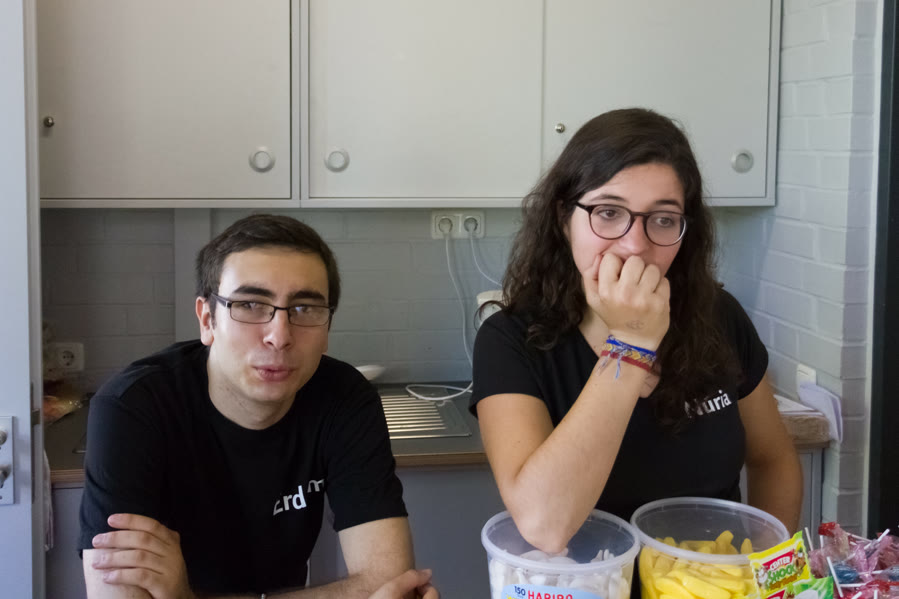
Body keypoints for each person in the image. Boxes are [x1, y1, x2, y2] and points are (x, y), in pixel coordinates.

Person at [470, 108, 802, 555]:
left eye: (663, 219)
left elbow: (774, 459)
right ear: (563, 218)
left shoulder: (719, 316)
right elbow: (545, 525)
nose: (634, 245)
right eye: (608, 212)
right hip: (588, 584)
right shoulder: (509, 339)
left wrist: (767, 572)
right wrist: (631, 344)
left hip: (710, 582)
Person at [80, 214, 438, 599]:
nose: (279, 337)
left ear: (327, 329)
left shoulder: (345, 398)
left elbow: (390, 584)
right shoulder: (134, 408)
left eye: (304, 308)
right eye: (250, 304)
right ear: (207, 320)